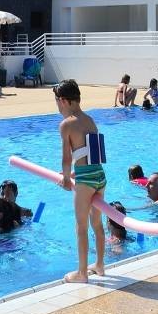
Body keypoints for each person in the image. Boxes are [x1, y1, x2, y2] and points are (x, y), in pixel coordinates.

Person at [55, 79, 107, 283]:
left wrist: (67, 178)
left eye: (57, 103)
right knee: (97, 223)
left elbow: (67, 158)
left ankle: (82, 273)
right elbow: (93, 154)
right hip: (99, 175)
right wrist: (79, 172)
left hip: (85, 180)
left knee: (81, 226)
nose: (58, 108)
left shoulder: (66, 124)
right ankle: (100, 265)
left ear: (64, 101)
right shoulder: (90, 120)